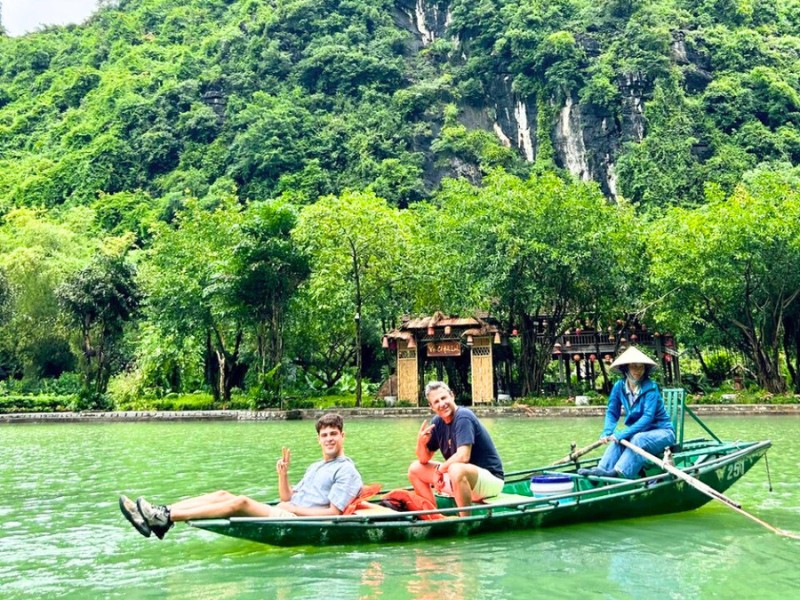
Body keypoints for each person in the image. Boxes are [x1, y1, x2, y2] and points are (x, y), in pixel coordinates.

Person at [119, 413, 363, 539]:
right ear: (318, 439)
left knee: (241, 502)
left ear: (343, 436)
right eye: (324, 435)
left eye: (334, 434)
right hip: (288, 509)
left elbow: (334, 513)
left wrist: (295, 509)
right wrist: (283, 474)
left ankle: (164, 518)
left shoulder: (346, 470)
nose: (329, 438)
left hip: (301, 519)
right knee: (222, 494)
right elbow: (286, 496)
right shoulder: (316, 466)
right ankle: (162, 512)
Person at [408, 381, 504, 516]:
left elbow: (463, 456)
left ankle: (465, 521)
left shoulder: (463, 416)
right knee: (414, 469)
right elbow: (423, 459)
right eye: (436, 402)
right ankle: (434, 516)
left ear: (452, 396)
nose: (442, 404)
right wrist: (420, 443)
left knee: (455, 468)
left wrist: (439, 472)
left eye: (444, 398)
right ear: (431, 407)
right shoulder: (437, 422)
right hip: (460, 481)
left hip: (490, 482)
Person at [579, 346, 676, 479]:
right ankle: (601, 470)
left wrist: (621, 434)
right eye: (634, 366)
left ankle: (618, 473)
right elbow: (612, 412)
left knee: (636, 438)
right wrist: (607, 431)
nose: (638, 370)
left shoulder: (651, 388)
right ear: (626, 368)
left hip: (663, 433)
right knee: (620, 439)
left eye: (641, 367)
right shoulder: (619, 386)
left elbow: (647, 417)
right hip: (641, 432)